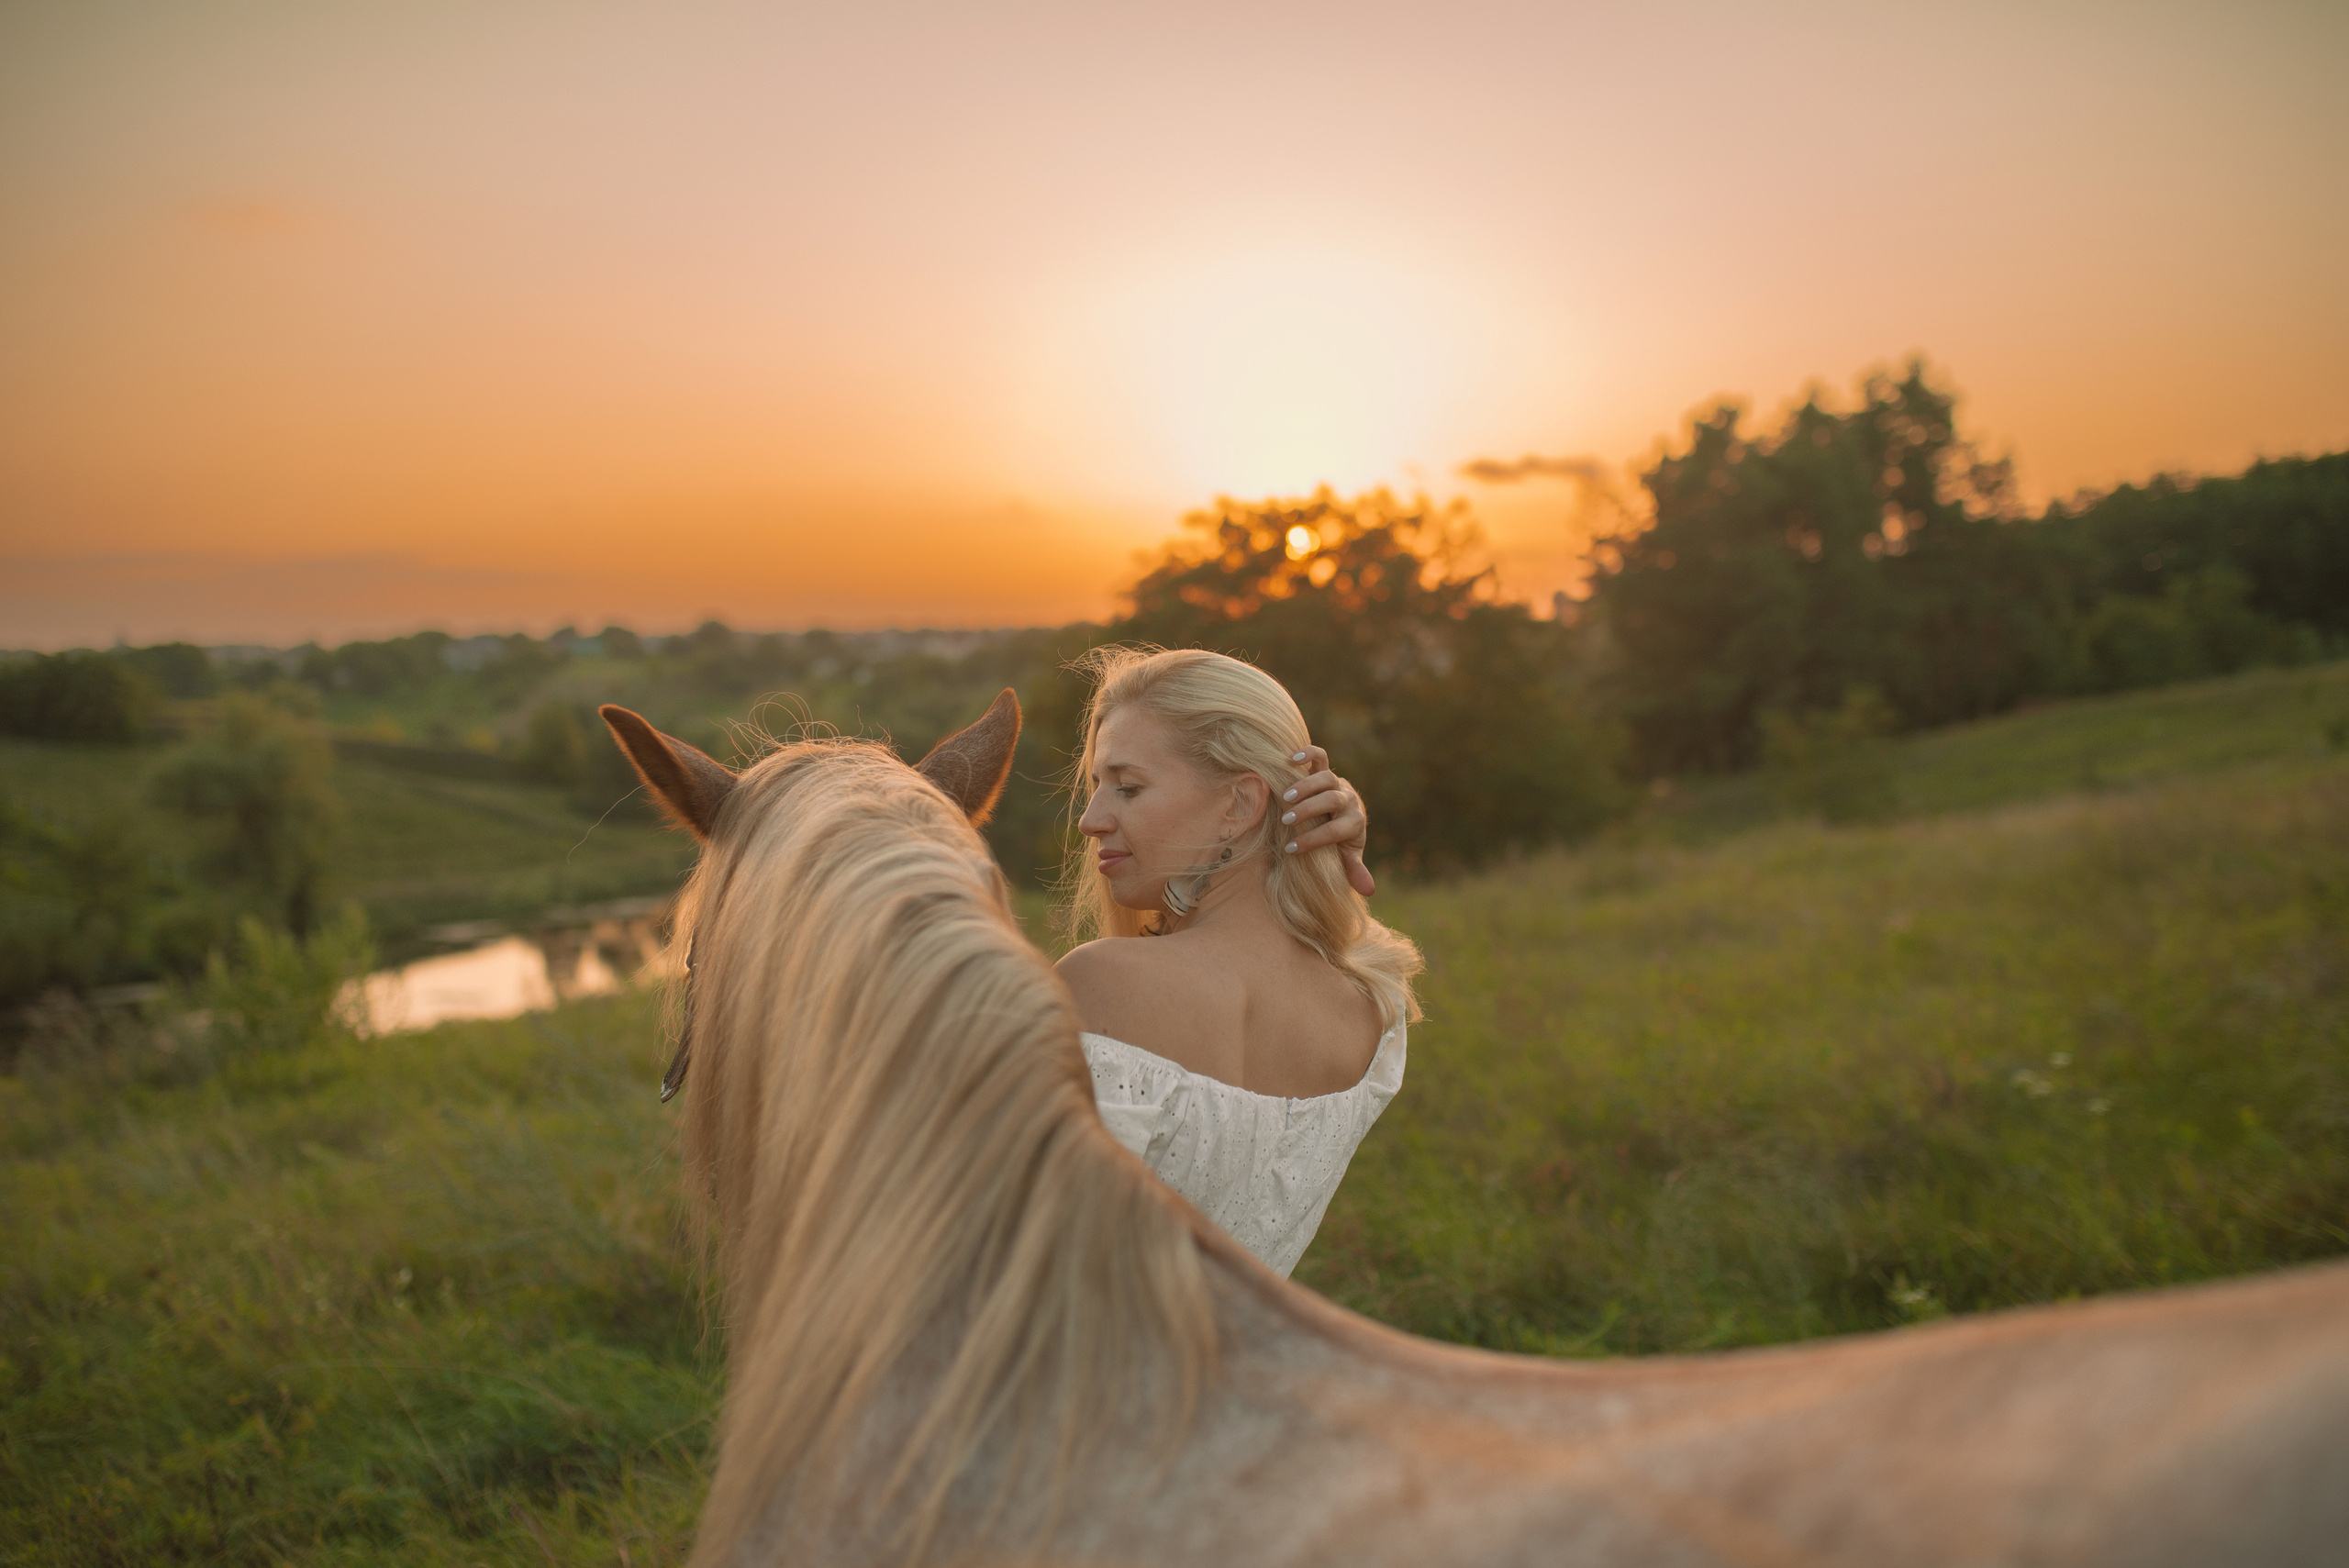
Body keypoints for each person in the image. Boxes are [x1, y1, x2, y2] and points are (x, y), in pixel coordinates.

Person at [1053, 646, 1423, 1276]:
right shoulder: (1373, 1013)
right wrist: (1321, 855)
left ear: (1239, 805)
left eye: (1127, 787)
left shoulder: (1104, 984)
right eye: (1096, 786)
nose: (1091, 819)